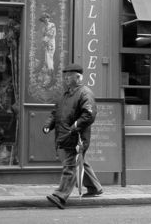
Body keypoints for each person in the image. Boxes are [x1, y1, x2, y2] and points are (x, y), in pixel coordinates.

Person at [42, 63, 103, 209]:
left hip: (78, 137)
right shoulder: (65, 94)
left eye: (69, 77)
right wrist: (48, 125)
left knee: (70, 165)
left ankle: (60, 195)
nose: (66, 79)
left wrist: (75, 126)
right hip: (65, 135)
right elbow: (55, 112)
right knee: (79, 162)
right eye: (65, 77)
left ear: (78, 77)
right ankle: (95, 187)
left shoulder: (85, 93)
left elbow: (89, 114)